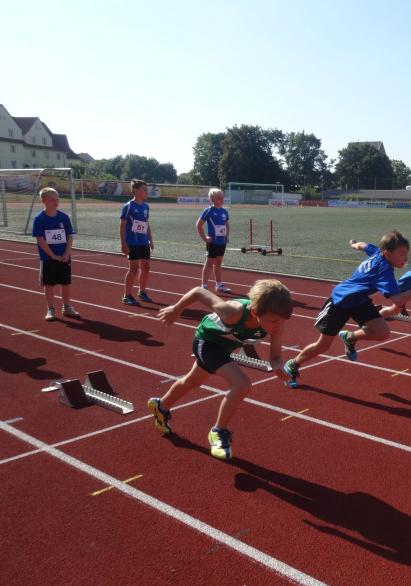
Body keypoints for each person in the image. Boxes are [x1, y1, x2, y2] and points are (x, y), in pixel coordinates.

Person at [148, 279, 293, 460]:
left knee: (192, 381)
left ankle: (161, 406)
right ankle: (218, 431)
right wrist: (176, 309)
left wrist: (278, 367)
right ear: (255, 312)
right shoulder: (232, 312)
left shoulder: (277, 321)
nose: (279, 325)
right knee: (242, 384)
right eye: (274, 321)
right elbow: (198, 291)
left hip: (225, 348)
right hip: (207, 342)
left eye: (283, 320)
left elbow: (275, 357)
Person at [282, 230, 411, 388]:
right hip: (340, 301)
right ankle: (293, 364)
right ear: (387, 253)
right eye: (402, 254)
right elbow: (398, 299)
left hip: (359, 301)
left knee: (382, 332)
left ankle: (350, 337)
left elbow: (363, 245)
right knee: (323, 345)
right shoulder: (384, 272)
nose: (406, 258)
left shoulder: (377, 252)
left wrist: (354, 244)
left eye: (406, 254)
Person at [31, 187, 80, 321]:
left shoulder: (64, 217)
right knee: (49, 284)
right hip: (48, 258)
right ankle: (50, 309)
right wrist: (52, 255)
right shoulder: (39, 219)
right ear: (44, 201)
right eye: (52, 200)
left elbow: (69, 236)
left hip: (64, 256)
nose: (56, 202)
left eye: (57, 199)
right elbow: (40, 239)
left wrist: (66, 253)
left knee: (65, 283)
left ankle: (67, 307)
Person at [119, 179, 155, 305]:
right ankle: (127, 295)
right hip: (132, 242)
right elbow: (122, 226)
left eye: (147, 190)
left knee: (146, 267)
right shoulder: (128, 206)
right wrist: (123, 243)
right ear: (135, 190)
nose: (147, 192)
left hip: (144, 242)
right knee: (134, 269)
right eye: (144, 189)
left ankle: (142, 292)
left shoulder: (146, 207)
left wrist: (150, 239)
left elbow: (146, 224)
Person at [196, 188, 231, 292]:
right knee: (209, 263)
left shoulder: (224, 211)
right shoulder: (209, 210)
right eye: (219, 198)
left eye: (222, 197)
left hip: (222, 242)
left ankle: (219, 285)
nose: (222, 199)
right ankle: (204, 285)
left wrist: (227, 236)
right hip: (213, 242)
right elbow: (198, 225)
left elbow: (227, 225)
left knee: (218, 263)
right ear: (213, 199)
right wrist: (204, 238)